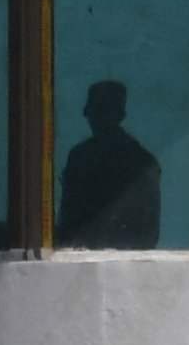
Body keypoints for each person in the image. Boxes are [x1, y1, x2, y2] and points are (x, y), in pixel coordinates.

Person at [54, 78, 164, 250]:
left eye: (101, 111)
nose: (94, 118)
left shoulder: (81, 157)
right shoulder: (144, 161)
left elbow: (148, 234)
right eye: (95, 111)